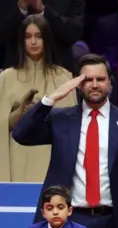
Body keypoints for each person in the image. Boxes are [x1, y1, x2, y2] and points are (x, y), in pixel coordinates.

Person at [12, 53, 118, 228]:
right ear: (77, 84)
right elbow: (21, 134)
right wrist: (51, 98)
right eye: (87, 79)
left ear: (110, 83)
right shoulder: (61, 119)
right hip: (67, 222)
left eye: (100, 79)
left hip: (113, 224)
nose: (94, 84)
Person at [0, 15, 76, 182]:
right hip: (16, 155)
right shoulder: (6, 78)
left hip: (51, 155)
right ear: (21, 41)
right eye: (28, 37)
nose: (33, 42)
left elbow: (71, 128)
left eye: (38, 36)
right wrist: (18, 114)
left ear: (47, 39)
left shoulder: (63, 77)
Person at [0, 0, 84, 71]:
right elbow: (2, 35)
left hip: (58, 70)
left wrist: (43, 10)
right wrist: (21, 9)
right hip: (17, 70)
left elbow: (73, 33)